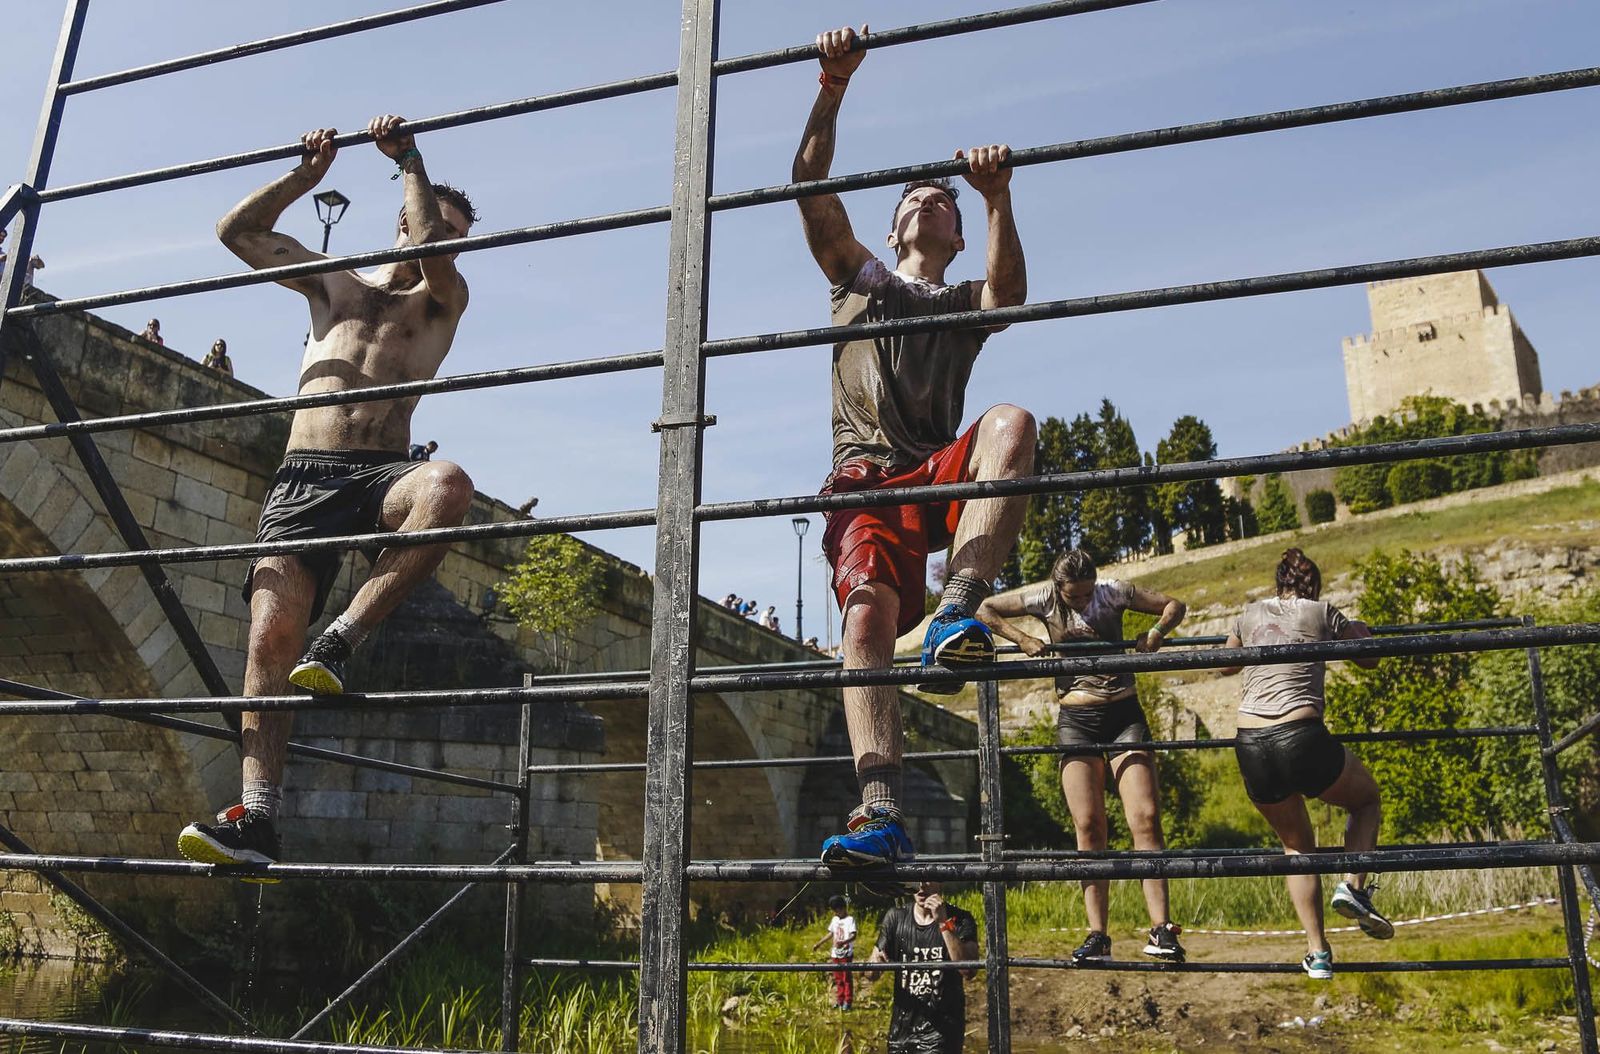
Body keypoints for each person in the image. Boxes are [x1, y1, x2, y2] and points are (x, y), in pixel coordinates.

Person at [177, 115, 478, 871]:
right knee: (269, 641)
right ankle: (257, 818)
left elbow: (437, 255)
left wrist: (409, 157)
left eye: (454, 232)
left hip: (380, 475)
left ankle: (342, 639)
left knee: (447, 484)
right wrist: (303, 180)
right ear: (400, 222)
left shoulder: (442, 302)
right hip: (303, 476)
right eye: (432, 223)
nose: (442, 238)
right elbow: (235, 233)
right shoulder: (336, 283)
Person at [799, 25, 1032, 872]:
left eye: (946, 201)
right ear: (895, 222)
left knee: (1011, 424)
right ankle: (880, 811)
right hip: (864, 477)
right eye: (915, 197)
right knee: (864, 619)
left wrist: (997, 193)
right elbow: (811, 186)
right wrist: (833, 84)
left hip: (938, 477)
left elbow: (1007, 296)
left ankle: (959, 608)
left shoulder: (966, 293)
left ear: (959, 234)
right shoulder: (862, 281)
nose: (929, 199)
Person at [978, 549, 1189, 963]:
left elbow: (1173, 605)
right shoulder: (1042, 599)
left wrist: (1157, 633)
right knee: (1089, 826)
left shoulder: (1113, 593)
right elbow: (985, 609)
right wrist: (1023, 638)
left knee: (1145, 817)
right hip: (1076, 718)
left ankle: (1161, 929)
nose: (1083, 603)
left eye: (1087, 593)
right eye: (1075, 597)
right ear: (1059, 589)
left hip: (1125, 713)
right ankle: (1097, 935)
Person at [1219, 547, 1392, 978]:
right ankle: (1355, 888)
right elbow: (1369, 657)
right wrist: (1358, 629)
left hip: (1251, 744)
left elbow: (1224, 665)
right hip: (1301, 736)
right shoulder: (1322, 611)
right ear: (1312, 585)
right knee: (1366, 800)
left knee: (1297, 846)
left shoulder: (1248, 613)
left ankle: (1318, 955)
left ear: (1278, 581)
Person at [866, 882, 979, 1053]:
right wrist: (876, 965)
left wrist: (943, 922)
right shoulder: (895, 917)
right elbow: (869, 974)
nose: (921, 886)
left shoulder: (961, 918)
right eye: (916, 879)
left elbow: (969, 970)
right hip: (901, 1033)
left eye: (927, 880)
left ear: (939, 882)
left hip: (942, 1034)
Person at [810, 894, 858, 1011]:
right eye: (834, 911)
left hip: (845, 954)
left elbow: (853, 935)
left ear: (843, 908)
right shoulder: (835, 920)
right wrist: (819, 943)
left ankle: (848, 1001)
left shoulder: (850, 920)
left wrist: (844, 942)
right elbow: (830, 933)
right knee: (838, 978)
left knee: (846, 978)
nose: (836, 913)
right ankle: (840, 1000)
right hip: (835, 954)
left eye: (838, 910)